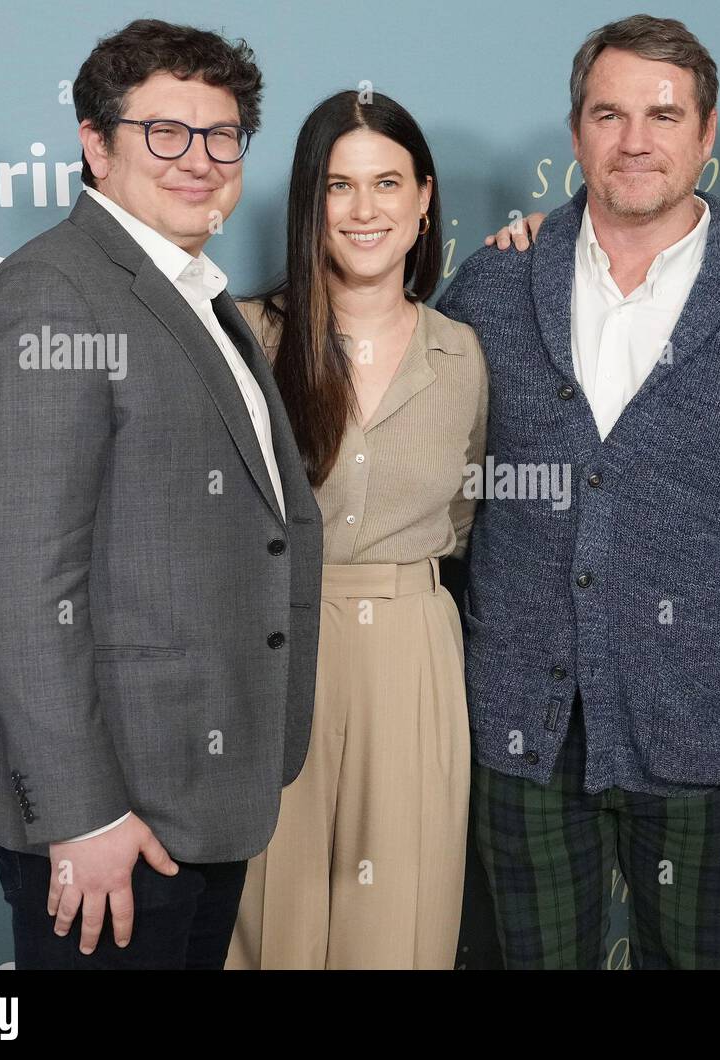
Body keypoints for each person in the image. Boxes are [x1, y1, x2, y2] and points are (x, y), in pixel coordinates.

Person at [441, 14, 720, 969]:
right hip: (523, 722)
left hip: (705, 728)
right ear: (576, 133)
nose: (635, 141)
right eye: (610, 114)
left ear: (707, 134)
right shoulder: (493, 287)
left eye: (663, 115)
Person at [0, 19, 324, 970]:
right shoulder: (53, 296)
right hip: (112, 811)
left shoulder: (193, 291)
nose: (198, 159)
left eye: (221, 134)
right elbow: (24, 583)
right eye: (165, 132)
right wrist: (83, 812)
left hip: (199, 789)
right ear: (95, 143)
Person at [227, 90, 487, 969]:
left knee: (397, 922)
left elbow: (462, 517)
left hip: (411, 655)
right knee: (274, 911)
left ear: (424, 199)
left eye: (387, 183)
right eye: (339, 187)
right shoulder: (250, 338)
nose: (365, 209)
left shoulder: (464, 352)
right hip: (275, 648)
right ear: (310, 203)